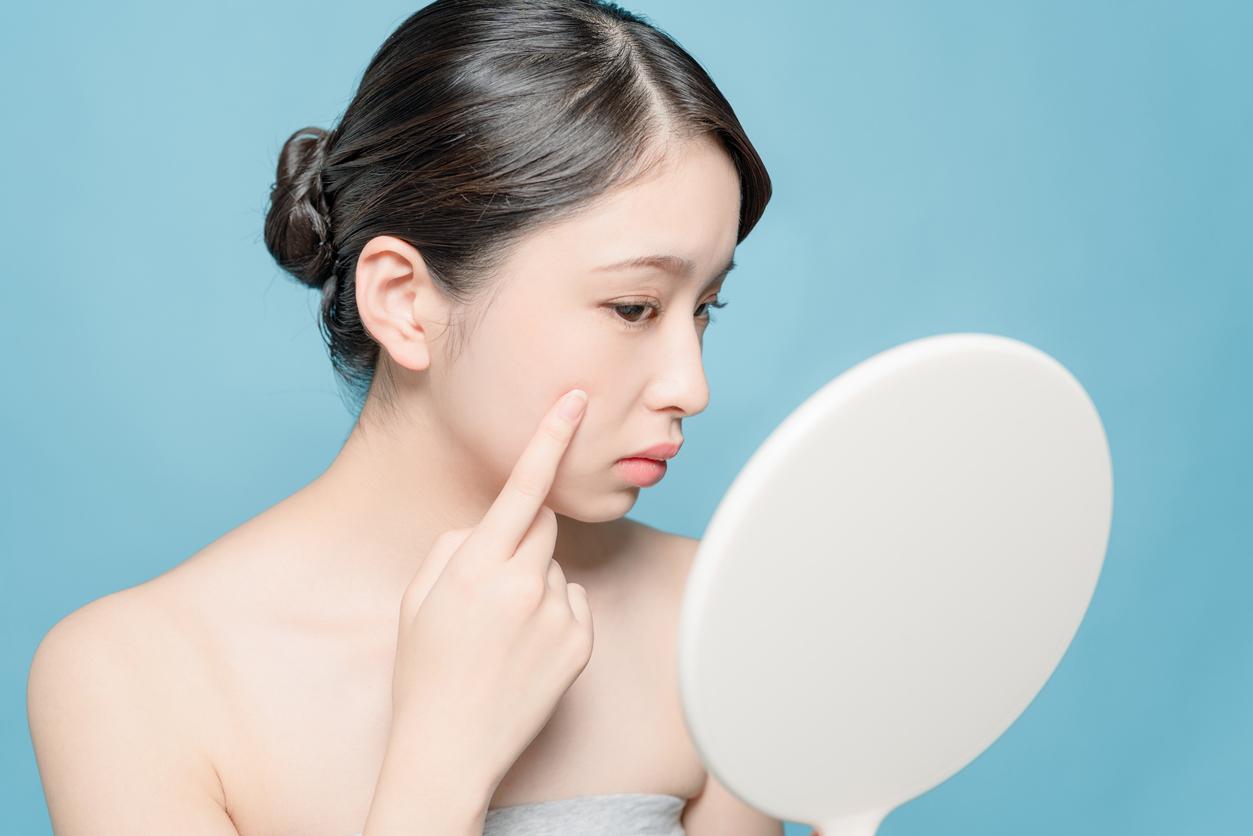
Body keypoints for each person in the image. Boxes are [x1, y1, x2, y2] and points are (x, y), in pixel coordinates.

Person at [27, 1, 776, 834]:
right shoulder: (133, 678)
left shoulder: (714, 613)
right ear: (404, 300)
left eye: (704, 306)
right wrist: (441, 756)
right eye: (634, 307)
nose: (690, 386)